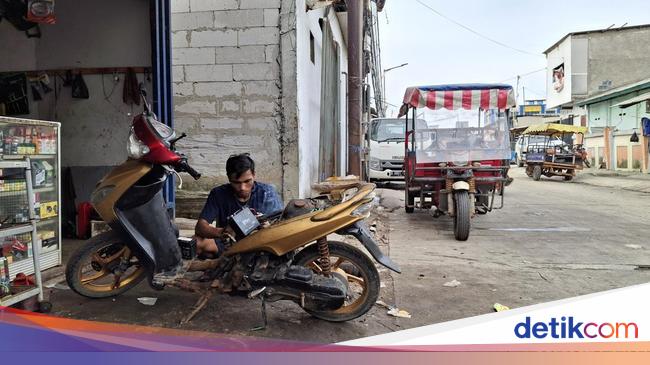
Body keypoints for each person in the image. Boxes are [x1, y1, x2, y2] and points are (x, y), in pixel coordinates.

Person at [194, 153, 284, 257]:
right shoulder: (218, 194)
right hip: (228, 244)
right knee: (195, 243)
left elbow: (281, 226)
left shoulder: (267, 192)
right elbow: (200, 227)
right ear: (228, 178)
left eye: (247, 181)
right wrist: (223, 232)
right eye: (236, 182)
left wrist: (269, 227)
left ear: (254, 175)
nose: (242, 187)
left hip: (259, 245)